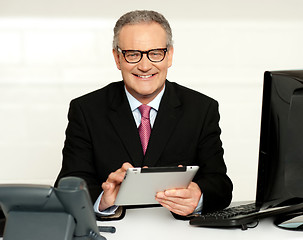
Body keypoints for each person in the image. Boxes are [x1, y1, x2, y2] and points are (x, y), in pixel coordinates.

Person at [55, 10, 233, 217]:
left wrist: (199, 196)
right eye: (133, 54)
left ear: (170, 55)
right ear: (117, 58)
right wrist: (103, 201)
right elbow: (68, 186)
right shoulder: (86, 110)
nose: (145, 65)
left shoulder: (202, 109)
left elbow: (220, 184)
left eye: (155, 53)